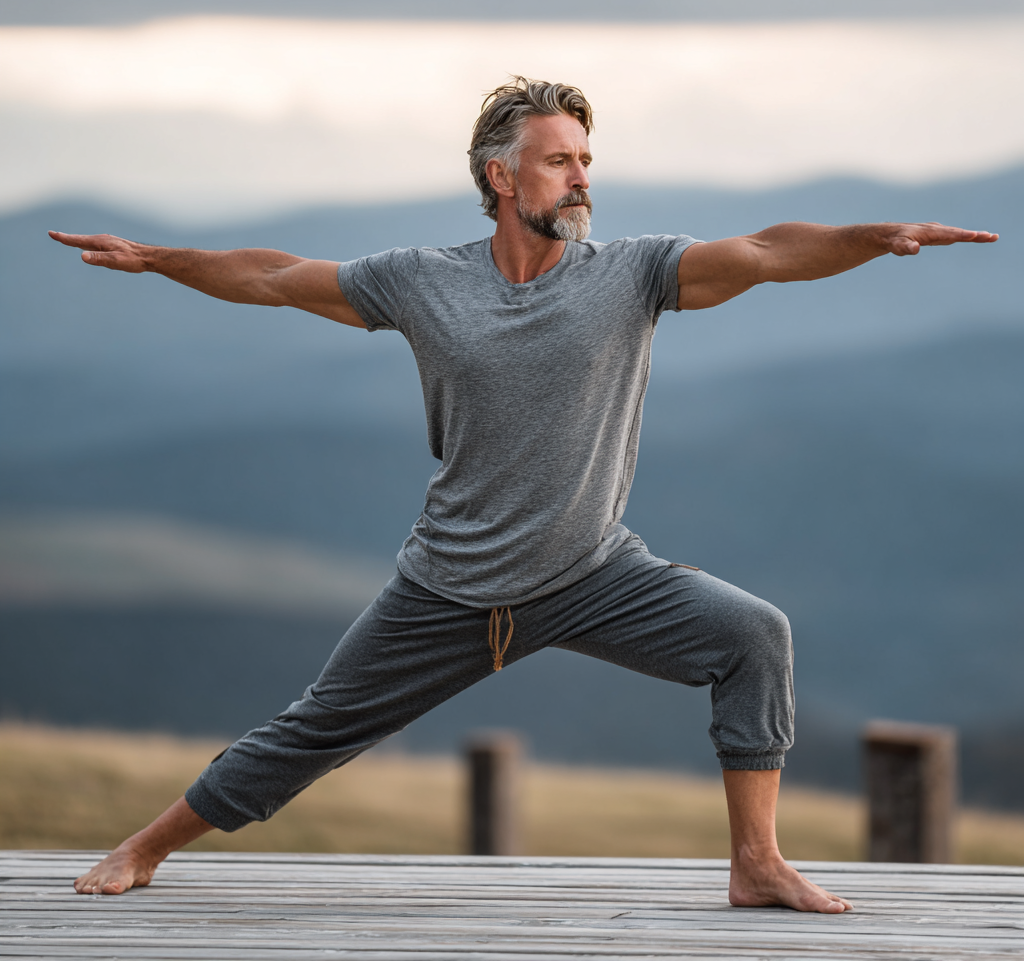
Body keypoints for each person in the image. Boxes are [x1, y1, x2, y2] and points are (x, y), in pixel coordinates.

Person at [51, 77, 996, 912]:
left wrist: (872, 238)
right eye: (558, 161)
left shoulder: (633, 274)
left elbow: (763, 250)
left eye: (587, 159)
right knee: (312, 730)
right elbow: (274, 277)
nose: (582, 178)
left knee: (754, 635)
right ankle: (143, 848)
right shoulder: (420, 283)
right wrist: (158, 258)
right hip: (449, 588)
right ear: (501, 177)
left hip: (595, 571)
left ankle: (757, 864)